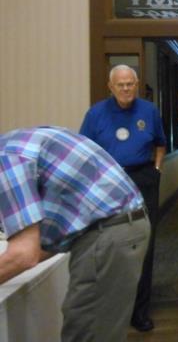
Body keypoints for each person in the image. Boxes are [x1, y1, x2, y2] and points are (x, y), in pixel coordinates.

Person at [0, 126, 150, 341]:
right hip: (123, 227)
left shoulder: (6, 159)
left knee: (86, 332)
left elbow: (24, 254)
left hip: (108, 233)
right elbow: (39, 245)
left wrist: (13, 259)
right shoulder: (17, 144)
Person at [79, 64, 166, 332]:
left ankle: (140, 312)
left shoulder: (149, 111)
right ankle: (114, 309)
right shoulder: (95, 114)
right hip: (109, 182)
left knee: (144, 243)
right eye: (121, 84)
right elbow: (83, 151)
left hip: (143, 178)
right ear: (111, 86)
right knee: (110, 244)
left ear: (137, 84)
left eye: (130, 84)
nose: (126, 88)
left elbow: (160, 144)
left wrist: (156, 170)